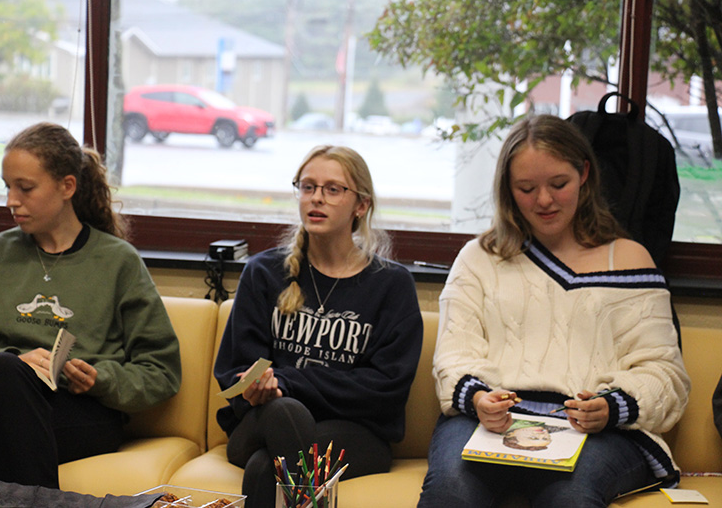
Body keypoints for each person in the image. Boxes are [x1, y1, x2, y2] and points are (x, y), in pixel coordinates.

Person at [417, 114, 690, 507]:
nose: (544, 200)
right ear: (508, 191)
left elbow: (666, 374)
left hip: (599, 431)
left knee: (571, 495)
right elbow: (453, 357)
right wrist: (478, 399)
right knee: (450, 491)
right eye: (526, 188)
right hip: (488, 421)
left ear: (584, 174)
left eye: (558, 184)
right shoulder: (479, 258)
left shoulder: (630, 259)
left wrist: (612, 408)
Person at [0, 122, 181, 489]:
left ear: (67, 186)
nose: (11, 200)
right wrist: (3, 360)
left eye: (25, 188)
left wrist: (99, 378)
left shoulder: (117, 262)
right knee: (5, 371)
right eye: (7, 187)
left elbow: (161, 371)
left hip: (78, 411)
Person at [214, 144, 424, 506]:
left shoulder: (391, 285)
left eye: (332, 189)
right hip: (261, 422)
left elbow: (386, 387)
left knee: (265, 467)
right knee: (284, 412)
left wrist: (289, 380)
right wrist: (256, 387)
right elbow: (234, 371)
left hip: (355, 433)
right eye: (307, 187)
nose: (316, 198)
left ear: (361, 205)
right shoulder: (264, 273)